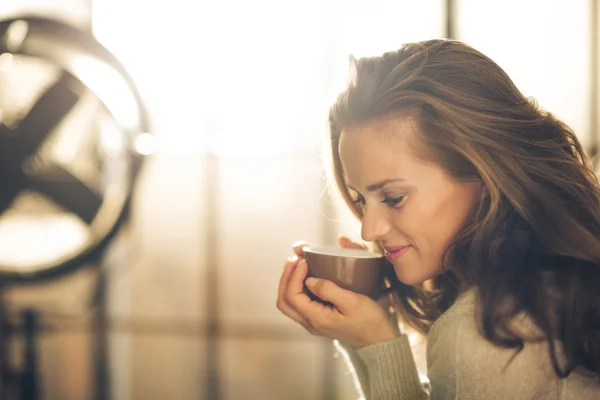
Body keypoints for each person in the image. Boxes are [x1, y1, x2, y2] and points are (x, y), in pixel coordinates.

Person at [276, 39, 600, 399]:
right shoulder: (554, 293)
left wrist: (377, 344)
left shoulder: (487, 330)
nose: (369, 228)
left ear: (482, 175)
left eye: (394, 198)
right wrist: (370, 336)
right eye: (360, 200)